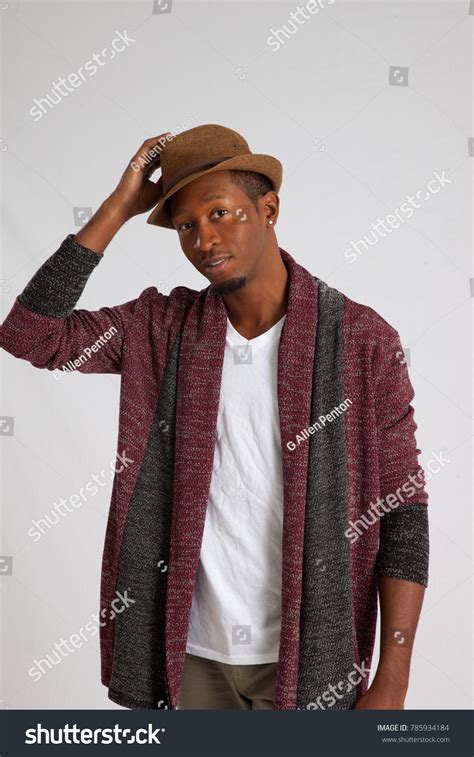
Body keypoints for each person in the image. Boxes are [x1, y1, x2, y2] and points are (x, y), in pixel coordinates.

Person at [0, 124, 429, 711]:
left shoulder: (362, 341)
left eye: (222, 213)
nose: (204, 238)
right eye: (186, 225)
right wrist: (119, 208)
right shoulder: (162, 328)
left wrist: (393, 680)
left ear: (269, 208)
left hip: (312, 663)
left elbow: (404, 513)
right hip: (193, 658)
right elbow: (30, 335)